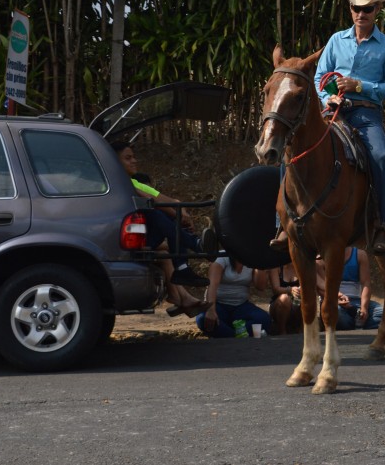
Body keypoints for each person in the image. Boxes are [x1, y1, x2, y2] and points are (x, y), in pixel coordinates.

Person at [316, 0, 385, 255]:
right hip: (333, 111)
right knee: (296, 149)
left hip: (366, 115)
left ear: (377, 10)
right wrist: (328, 95)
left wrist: (361, 86)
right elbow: (321, 76)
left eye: (367, 9)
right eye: (356, 8)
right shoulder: (335, 40)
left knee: (379, 156)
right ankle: (283, 224)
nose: (360, 14)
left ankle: (382, 224)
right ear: (350, 8)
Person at [112, 140, 212, 318]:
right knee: (159, 215)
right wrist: (177, 214)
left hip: (139, 236)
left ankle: (181, 279)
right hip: (121, 240)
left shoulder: (131, 181)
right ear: (114, 161)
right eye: (128, 158)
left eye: (134, 157)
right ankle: (192, 249)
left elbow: (164, 199)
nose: (134, 161)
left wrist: (180, 212)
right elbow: (150, 198)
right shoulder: (116, 181)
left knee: (164, 217)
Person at [196, 255, 272, 338]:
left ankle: (229, 335)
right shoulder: (222, 258)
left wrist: (260, 264)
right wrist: (211, 310)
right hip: (219, 305)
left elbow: (261, 287)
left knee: (264, 319)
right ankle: (239, 335)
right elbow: (212, 285)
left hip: (241, 306)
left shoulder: (251, 259)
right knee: (202, 319)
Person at [328, 246, 383, 330]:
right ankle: (356, 326)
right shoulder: (323, 256)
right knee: (336, 312)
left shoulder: (360, 255)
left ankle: (356, 323)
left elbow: (366, 283)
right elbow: (321, 286)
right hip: (334, 302)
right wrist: (336, 299)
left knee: (382, 312)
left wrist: (364, 308)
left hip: (356, 302)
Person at [268, 262, 305, 335]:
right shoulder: (276, 267)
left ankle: (302, 331)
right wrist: (290, 290)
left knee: (308, 299)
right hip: (279, 305)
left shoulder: (301, 266)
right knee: (285, 298)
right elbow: (275, 289)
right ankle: (282, 331)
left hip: (297, 302)